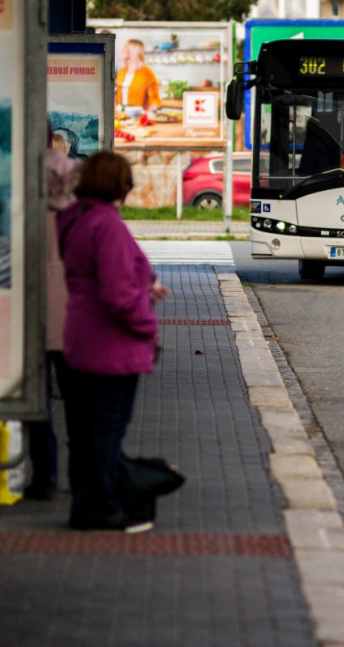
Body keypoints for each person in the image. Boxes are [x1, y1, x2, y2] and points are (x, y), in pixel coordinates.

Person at [57, 151, 169, 532]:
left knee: (85, 429)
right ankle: (101, 505)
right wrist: (148, 329)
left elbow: (97, 279)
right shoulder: (107, 225)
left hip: (81, 337)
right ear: (119, 184)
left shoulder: (74, 218)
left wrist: (143, 287)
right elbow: (118, 296)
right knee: (106, 431)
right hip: (112, 347)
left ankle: (84, 501)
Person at [23, 123, 79, 500]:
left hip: (28, 312)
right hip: (76, 314)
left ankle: (44, 478)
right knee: (80, 403)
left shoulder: (18, 185)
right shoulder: (83, 189)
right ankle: (84, 477)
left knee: (35, 403)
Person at [116, 39, 161, 117]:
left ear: (133, 52)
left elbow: (155, 98)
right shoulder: (122, 71)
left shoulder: (146, 72)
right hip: (121, 117)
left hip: (139, 118)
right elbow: (117, 94)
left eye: (125, 48)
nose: (123, 50)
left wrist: (153, 109)